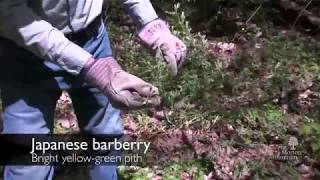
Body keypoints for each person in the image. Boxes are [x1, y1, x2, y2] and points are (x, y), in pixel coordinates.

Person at [0, 0, 187, 180]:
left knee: (106, 138)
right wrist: (94, 69)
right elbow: (9, 12)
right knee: (27, 165)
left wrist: (154, 28)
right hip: (25, 54)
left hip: (92, 42)